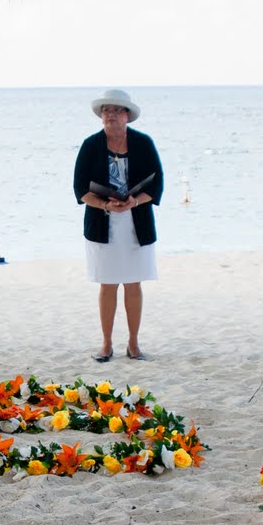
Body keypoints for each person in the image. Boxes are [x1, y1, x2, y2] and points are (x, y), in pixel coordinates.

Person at [74, 89, 163, 362]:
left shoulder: (143, 143)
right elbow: (80, 189)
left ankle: (134, 344)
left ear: (127, 115)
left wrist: (134, 201)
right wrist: (104, 205)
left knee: (133, 284)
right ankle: (106, 344)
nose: (110, 115)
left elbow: (157, 183)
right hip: (103, 226)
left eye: (115, 110)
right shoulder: (90, 145)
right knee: (107, 285)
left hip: (137, 224)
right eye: (106, 111)